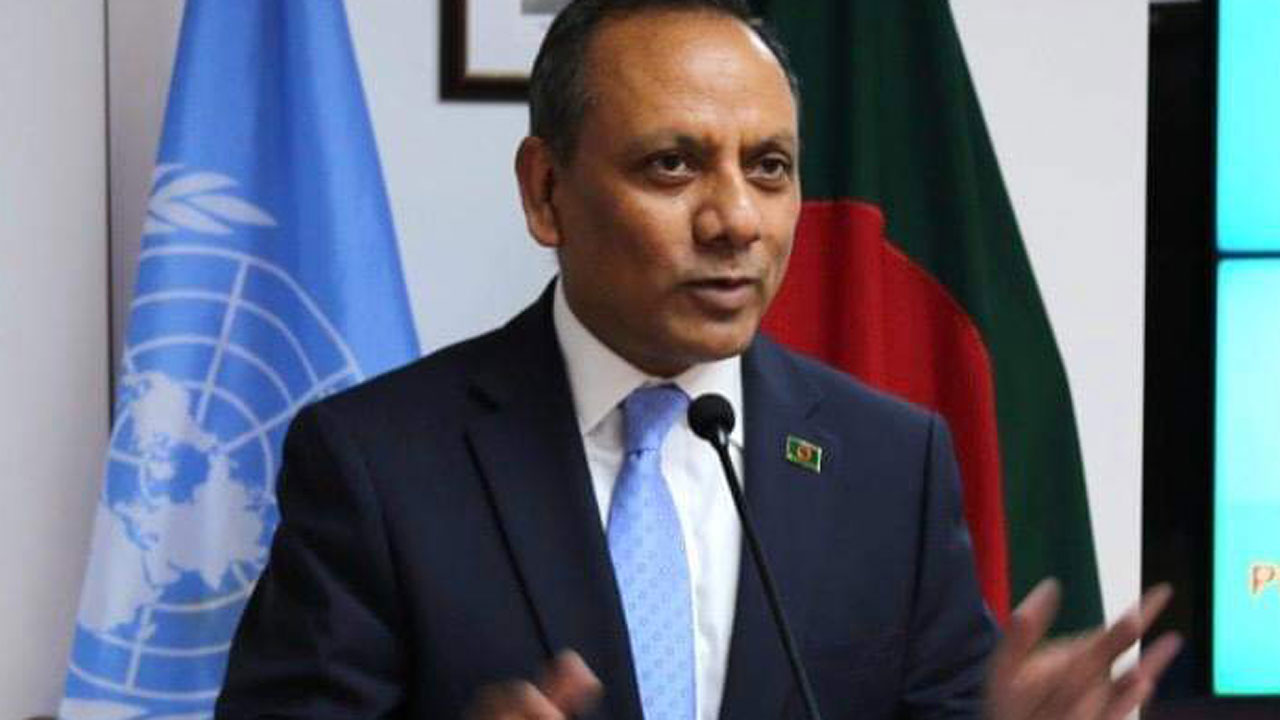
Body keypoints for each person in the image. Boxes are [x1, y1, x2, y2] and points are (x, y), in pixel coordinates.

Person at [216, 1, 1181, 718]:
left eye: (769, 167)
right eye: (672, 165)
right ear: (546, 192)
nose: (736, 221)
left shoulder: (891, 465)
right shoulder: (378, 463)